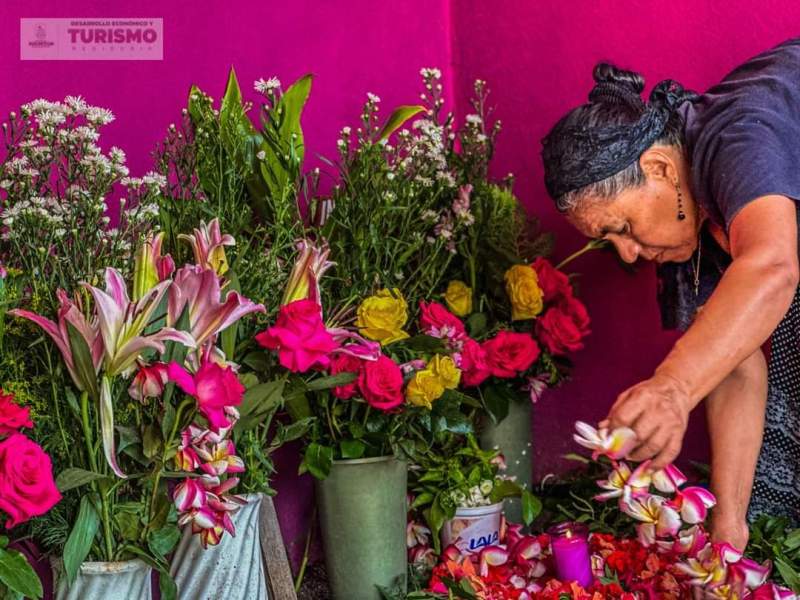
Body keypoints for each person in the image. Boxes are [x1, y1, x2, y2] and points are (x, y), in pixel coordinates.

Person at [541, 38, 800, 550]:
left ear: (659, 169)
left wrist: (672, 389)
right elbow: (734, 363)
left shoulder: (735, 138)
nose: (630, 254)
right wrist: (729, 527)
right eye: (609, 241)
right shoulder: (685, 225)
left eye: (625, 227)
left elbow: (771, 266)